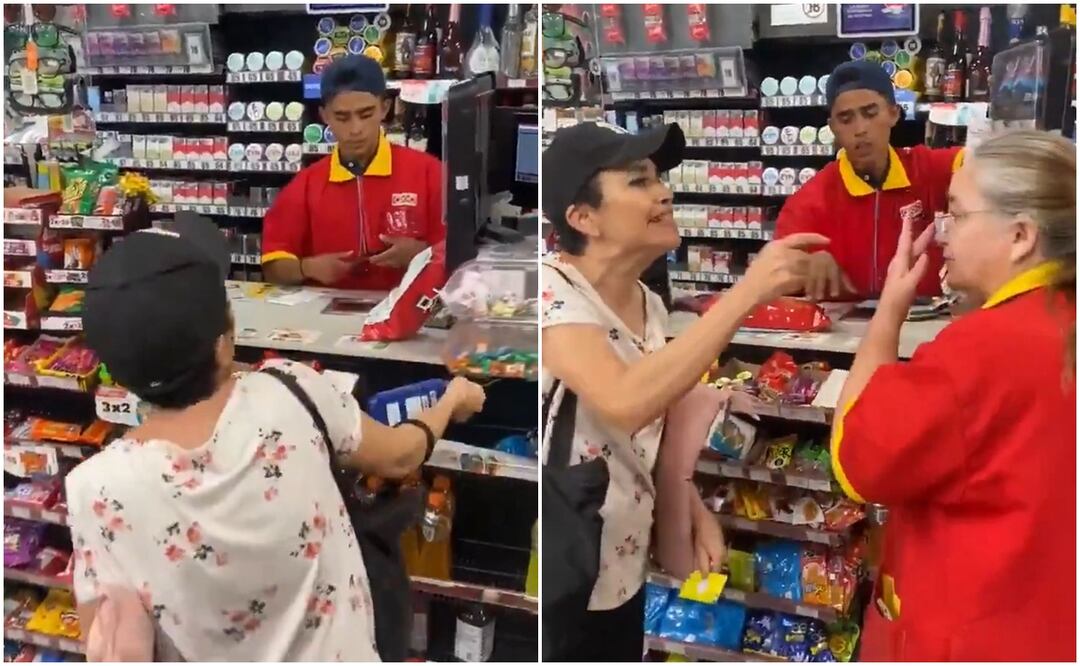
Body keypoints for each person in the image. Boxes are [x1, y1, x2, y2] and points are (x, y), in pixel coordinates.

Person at [69, 218, 486, 661]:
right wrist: (451, 400)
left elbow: (111, 648)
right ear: (224, 342)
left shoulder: (95, 487)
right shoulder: (291, 392)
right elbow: (402, 456)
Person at [540, 121, 827, 660]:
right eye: (639, 181)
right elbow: (625, 401)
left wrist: (691, 509)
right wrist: (748, 291)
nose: (664, 191)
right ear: (583, 218)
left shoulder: (648, 303)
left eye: (659, 177)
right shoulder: (551, 294)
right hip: (565, 562)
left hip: (620, 558)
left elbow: (650, 428)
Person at [830, 130, 1075, 661]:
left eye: (958, 215)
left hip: (973, 631)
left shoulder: (977, 353)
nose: (942, 233)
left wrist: (889, 310)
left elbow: (856, 460)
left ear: (1020, 236)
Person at [776, 60, 964, 301]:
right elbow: (774, 269)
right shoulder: (811, 200)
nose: (860, 129)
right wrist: (804, 266)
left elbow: (990, 166)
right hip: (847, 335)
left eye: (870, 113)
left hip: (924, 326)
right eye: (846, 119)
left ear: (893, 114)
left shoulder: (928, 168)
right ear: (832, 127)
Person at [261, 54, 445, 290]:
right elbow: (273, 265)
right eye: (342, 117)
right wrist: (306, 267)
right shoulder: (305, 185)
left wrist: (422, 254)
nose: (355, 129)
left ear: (385, 108)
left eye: (366, 114)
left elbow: (461, 258)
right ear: (325, 116)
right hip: (329, 319)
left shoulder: (430, 174)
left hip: (407, 312)